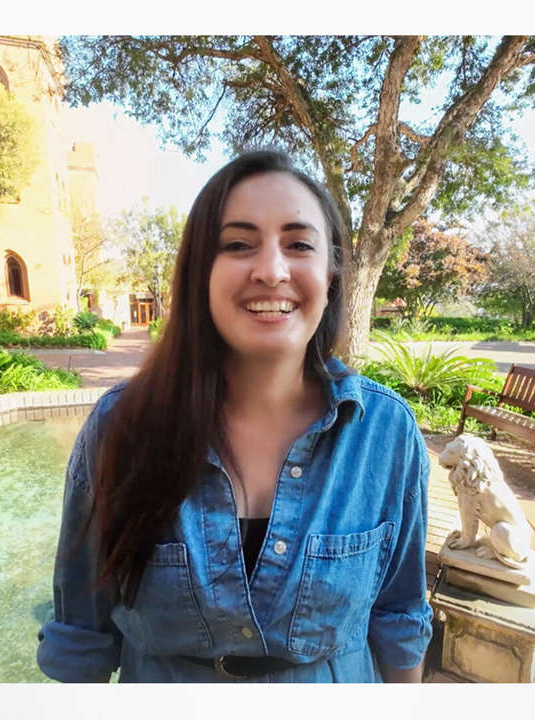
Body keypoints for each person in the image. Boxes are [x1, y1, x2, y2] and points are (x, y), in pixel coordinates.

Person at [36, 150, 433, 683]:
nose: (271, 271)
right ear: (200, 271)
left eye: (299, 245)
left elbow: (400, 618)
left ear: (331, 274)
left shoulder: (384, 433)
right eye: (239, 245)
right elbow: (81, 636)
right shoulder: (121, 427)